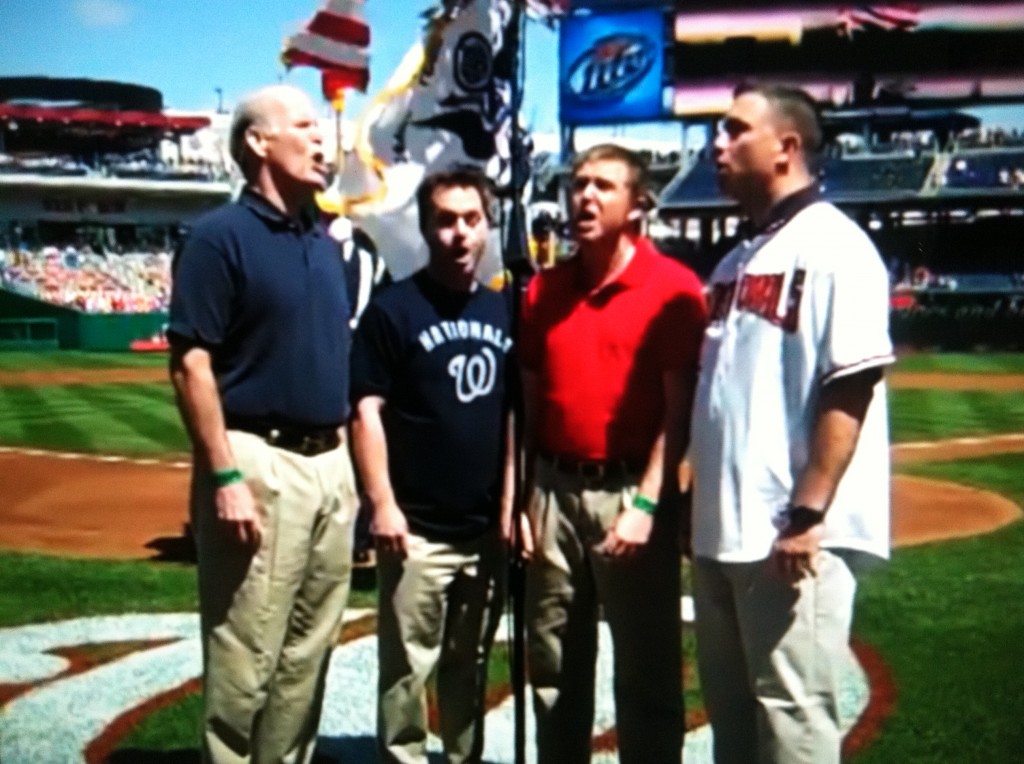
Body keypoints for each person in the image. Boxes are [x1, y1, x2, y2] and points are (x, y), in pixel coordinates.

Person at [689, 84, 894, 764]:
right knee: (735, 726)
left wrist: (808, 514)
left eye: (734, 129)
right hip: (724, 530)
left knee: (793, 723)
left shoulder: (837, 246)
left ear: (786, 147)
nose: (716, 144)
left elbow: (853, 381)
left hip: (790, 535)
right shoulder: (731, 261)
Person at [168, 84, 359, 764]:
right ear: (258, 142)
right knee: (246, 656)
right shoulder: (221, 238)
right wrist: (223, 473)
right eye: (304, 125)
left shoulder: (329, 240)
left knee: (309, 654)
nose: (321, 138)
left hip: (331, 465)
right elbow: (192, 362)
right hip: (258, 460)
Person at [519, 144, 707, 764]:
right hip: (551, 490)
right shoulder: (543, 291)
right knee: (552, 669)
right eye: (578, 184)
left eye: (602, 185)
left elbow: (677, 413)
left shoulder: (673, 289)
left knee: (647, 671)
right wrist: (522, 498)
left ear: (638, 204)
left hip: (631, 493)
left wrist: (649, 502)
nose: (584, 197)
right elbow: (527, 403)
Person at [350, 168, 512, 764]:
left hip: (484, 531)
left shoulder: (503, 310)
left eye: (472, 220)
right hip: (416, 529)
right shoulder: (393, 310)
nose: (460, 234)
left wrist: (508, 509)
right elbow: (365, 411)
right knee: (406, 670)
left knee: (468, 665)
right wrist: (382, 505)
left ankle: (464, 758)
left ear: (487, 227)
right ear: (425, 227)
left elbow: (516, 420)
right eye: (446, 220)